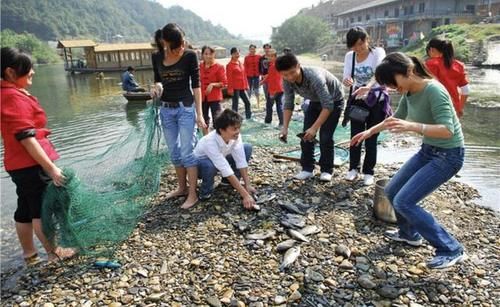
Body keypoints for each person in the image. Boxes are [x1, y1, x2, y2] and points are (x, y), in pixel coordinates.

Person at [351, 52, 466, 269]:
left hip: (449, 155)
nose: (393, 88)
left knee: (405, 201)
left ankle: (450, 248)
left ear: (409, 71)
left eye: (393, 82)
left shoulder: (433, 90)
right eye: (388, 85)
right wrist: (368, 133)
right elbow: (395, 118)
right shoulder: (410, 91)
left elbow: (448, 130)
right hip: (428, 151)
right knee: (392, 191)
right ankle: (409, 234)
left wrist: (413, 127)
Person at [1, 47, 75, 264]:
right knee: (41, 209)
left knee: (24, 209)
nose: (32, 71)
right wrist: (51, 169)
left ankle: (29, 254)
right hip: (30, 163)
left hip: (16, 164)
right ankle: (54, 252)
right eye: (27, 69)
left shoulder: (5, 93)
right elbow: (26, 138)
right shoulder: (13, 97)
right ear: (10, 73)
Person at [151, 23, 207, 209]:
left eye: (182, 42)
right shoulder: (157, 57)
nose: (181, 47)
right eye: (177, 45)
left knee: (187, 151)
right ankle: (182, 188)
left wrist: (200, 114)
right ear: (165, 42)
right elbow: (157, 80)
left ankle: (193, 194)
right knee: (174, 152)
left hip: (186, 108)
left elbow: (196, 85)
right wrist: (156, 87)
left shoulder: (190, 56)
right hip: (166, 109)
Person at [276, 53, 344, 182]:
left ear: (298, 66)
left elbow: (328, 105)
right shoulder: (286, 80)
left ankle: (326, 169)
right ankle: (307, 169)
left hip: (334, 101)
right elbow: (288, 104)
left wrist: (315, 128)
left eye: (292, 72)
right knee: (306, 135)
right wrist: (284, 128)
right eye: (285, 74)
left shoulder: (314, 77)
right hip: (314, 100)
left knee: (325, 136)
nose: (290, 77)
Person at [342, 26, 391, 186]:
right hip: (358, 100)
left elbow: (379, 73)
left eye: (361, 44)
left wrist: (368, 86)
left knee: (371, 136)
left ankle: (368, 172)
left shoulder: (378, 52)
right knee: (356, 135)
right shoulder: (350, 56)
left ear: (366, 40)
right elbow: (346, 76)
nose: (358, 48)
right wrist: (348, 81)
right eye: (354, 45)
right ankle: (353, 169)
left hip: (376, 100)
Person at [194, 109, 257, 209]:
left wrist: (247, 185)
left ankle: (226, 182)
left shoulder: (236, 136)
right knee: (209, 165)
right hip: (200, 168)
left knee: (246, 148)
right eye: (234, 129)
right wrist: (245, 195)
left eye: (238, 128)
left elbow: (241, 160)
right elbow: (224, 168)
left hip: (220, 160)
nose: (237, 131)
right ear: (222, 130)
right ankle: (205, 192)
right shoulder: (210, 141)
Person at [425, 38, 469, 118]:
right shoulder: (459, 65)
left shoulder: (431, 64)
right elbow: (465, 90)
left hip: (434, 106)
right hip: (453, 107)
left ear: (432, 49)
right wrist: (459, 108)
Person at [200, 45, 227, 135]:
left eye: (210, 54)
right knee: (204, 119)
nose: (208, 56)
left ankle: (218, 140)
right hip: (202, 97)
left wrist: (213, 84)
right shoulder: (199, 66)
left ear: (214, 54)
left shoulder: (219, 67)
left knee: (217, 120)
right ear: (202, 55)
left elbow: (224, 82)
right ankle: (206, 139)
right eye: (206, 54)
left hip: (215, 98)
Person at [226, 47, 252, 119]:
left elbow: (244, 75)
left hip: (242, 87)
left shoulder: (240, 63)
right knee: (235, 105)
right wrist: (230, 89)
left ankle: (249, 118)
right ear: (232, 54)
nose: (237, 55)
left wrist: (246, 85)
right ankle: (234, 120)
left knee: (247, 102)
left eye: (238, 53)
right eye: (235, 53)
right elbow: (229, 78)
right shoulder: (229, 65)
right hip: (235, 88)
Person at [259, 49, 283, 126]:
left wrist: (272, 91)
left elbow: (274, 80)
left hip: (274, 89)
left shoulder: (273, 66)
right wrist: (263, 82)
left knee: (269, 106)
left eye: (270, 56)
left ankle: (267, 122)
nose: (268, 57)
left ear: (275, 57)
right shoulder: (276, 65)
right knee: (279, 105)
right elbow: (270, 76)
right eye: (268, 56)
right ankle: (282, 123)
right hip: (280, 89)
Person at [259, 43, 272, 114]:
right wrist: (262, 75)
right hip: (263, 77)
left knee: (272, 92)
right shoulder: (261, 58)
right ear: (264, 49)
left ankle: (271, 105)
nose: (267, 49)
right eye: (265, 48)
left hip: (272, 78)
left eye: (268, 48)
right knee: (266, 92)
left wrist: (269, 75)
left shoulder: (272, 57)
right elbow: (259, 68)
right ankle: (268, 106)